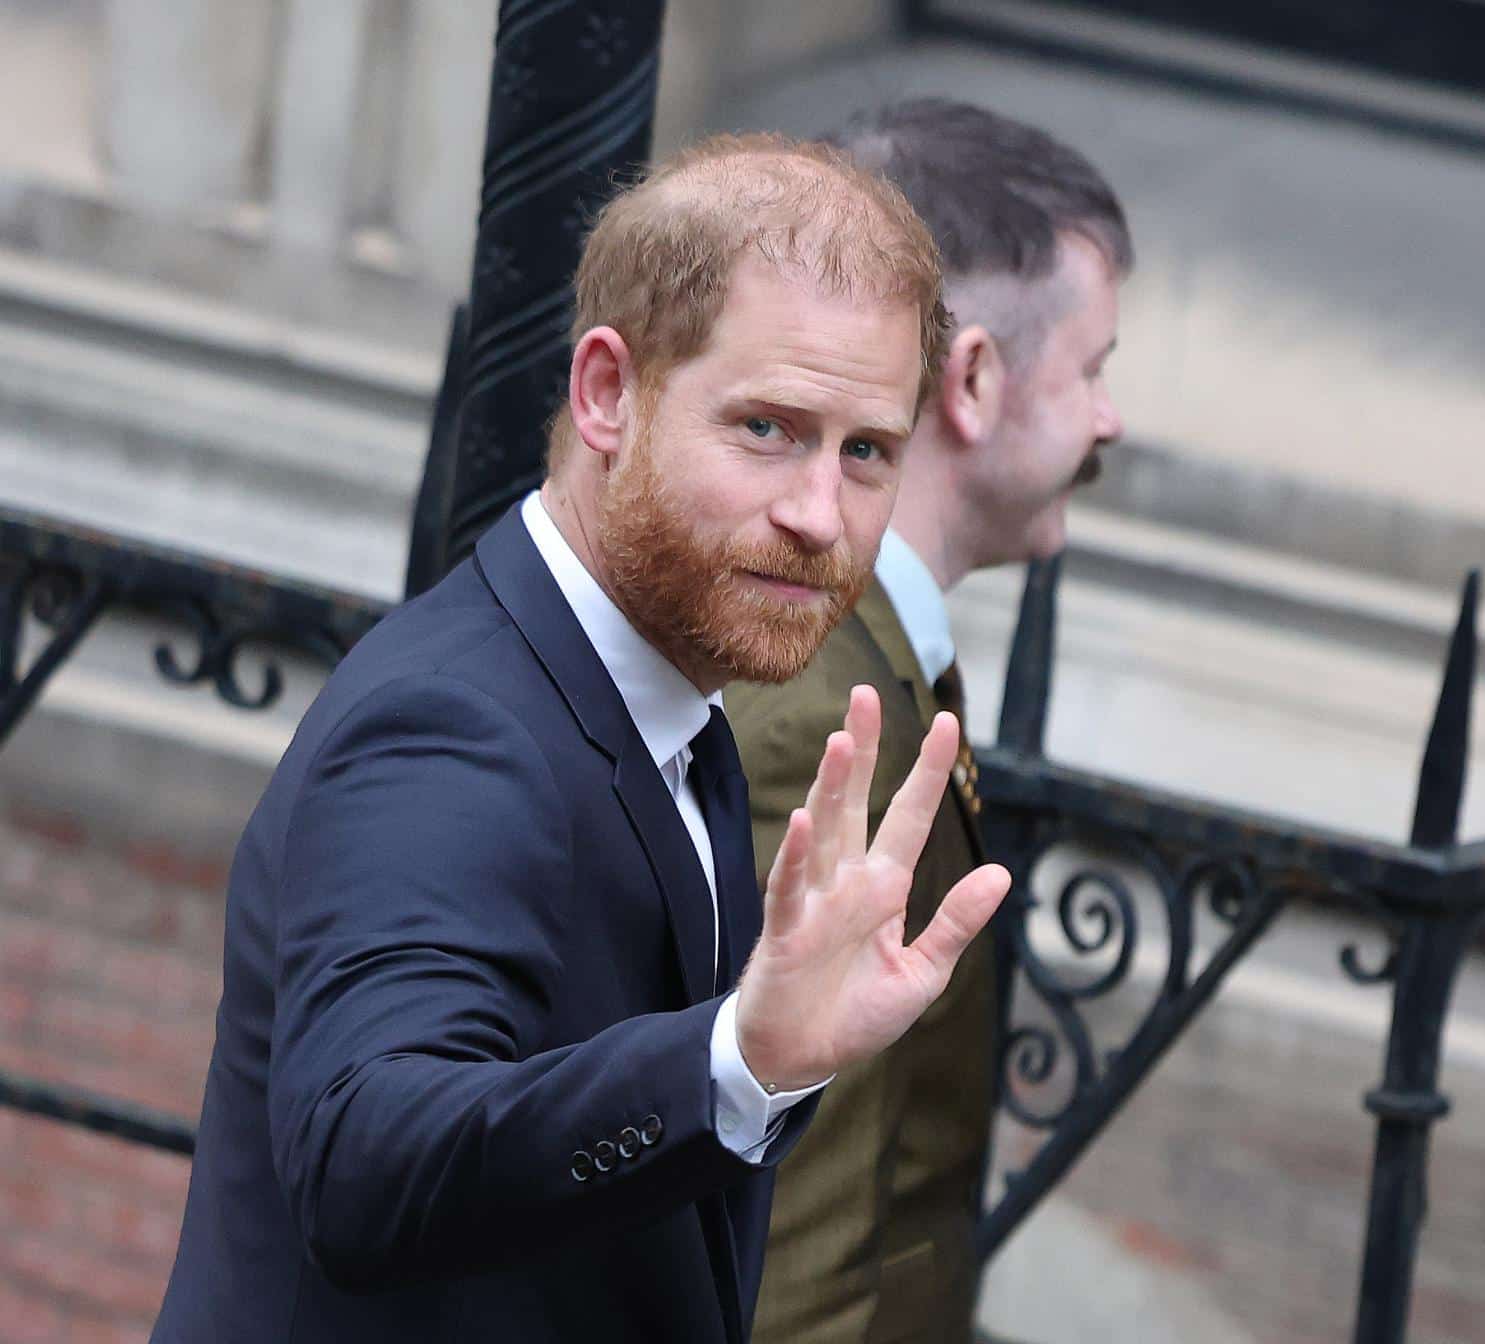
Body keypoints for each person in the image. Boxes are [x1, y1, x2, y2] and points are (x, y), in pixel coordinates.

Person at [151, 133, 1011, 1344]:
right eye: (767, 427)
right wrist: (731, 1059)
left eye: (865, 451)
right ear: (607, 393)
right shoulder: (456, 727)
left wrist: (748, 1068)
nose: (820, 515)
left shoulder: (673, 703)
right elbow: (364, 1163)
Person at [729, 100, 1132, 1344]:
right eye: (1094, 369)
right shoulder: (820, 713)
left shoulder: (868, 656)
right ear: (972, 382)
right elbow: (790, 1219)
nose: (1110, 421)